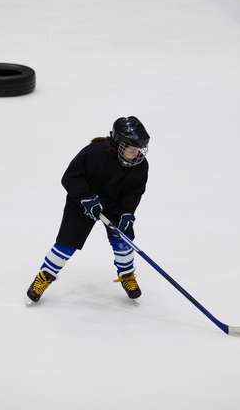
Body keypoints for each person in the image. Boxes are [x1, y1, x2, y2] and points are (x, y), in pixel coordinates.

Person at [26, 116, 151, 304]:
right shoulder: (94, 154)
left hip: (115, 204)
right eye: (131, 150)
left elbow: (134, 193)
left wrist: (126, 212)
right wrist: (85, 197)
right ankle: (45, 276)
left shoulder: (140, 166)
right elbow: (70, 177)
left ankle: (126, 275)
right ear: (118, 143)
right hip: (84, 200)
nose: (136, 155)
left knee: (124, 241)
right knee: (67, 242)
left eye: (139, 150)